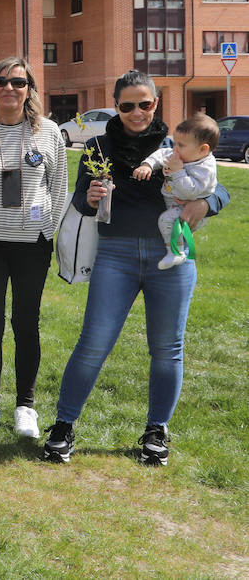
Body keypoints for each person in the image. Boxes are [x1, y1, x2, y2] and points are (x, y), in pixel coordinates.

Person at [45, 71, 229, 466]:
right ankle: (63, 426)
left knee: (167, 349)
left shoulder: (176, 143)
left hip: (172, 256)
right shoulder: (98, 145)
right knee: (93, 342)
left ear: (156, 103)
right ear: (116, 105)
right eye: (127, 105)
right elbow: (79, 199)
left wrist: (206, 204)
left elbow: (219, 184)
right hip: (116, 254)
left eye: (144, 104)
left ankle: (156, 430)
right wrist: (90, 197)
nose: (136, 112)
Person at [0, 57, 67, 440]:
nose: (9, 88)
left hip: (31, 247)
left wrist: (45, 231)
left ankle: (26, 407)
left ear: (29, 89)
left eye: (18, 82)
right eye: (1, 81)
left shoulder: (49, 133)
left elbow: (57, 187)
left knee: (26, 324)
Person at [133, 113, 220, 270]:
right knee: (172, 225)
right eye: (175, 142)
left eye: (181, 145)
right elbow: (161, 154)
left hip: (187, 209)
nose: (174, 148)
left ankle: (175, 252)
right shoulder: (183, 155)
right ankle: (180, 245)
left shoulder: (205, 168)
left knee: (166, 220)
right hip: (174, 203)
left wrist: (178, 171)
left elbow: (191, 193)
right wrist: (148, 165)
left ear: (203, 149)